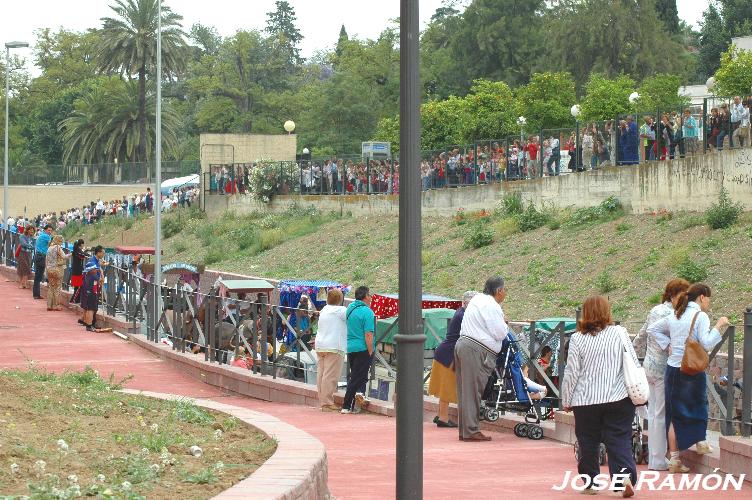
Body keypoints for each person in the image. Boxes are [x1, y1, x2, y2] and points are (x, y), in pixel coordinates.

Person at [647, 283, 729, 473]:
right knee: (699, 405)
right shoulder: (701, 316)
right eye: (708, 298)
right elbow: (707, 342)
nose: (709, 302)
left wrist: (667, 344)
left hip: (673, 369)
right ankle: (701, 442)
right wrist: (719, 325)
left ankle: (674, 459)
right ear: (702, 297)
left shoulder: (676, 313)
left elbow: (652, 329)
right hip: (692, 369)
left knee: (675, 414)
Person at [561, 296, 638, 497]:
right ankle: (623, 479)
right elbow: (632, 362)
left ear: (585, 314)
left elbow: (572, 372)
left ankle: (590, 483)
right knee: (619, 438)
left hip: (586, 400)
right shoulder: (619, 333)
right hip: (618, 397)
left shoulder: (577, 338)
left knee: (587, 440)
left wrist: (566, 399)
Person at [633, 279, 689, 471]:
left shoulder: (654, 310)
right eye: (682, 295)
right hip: (664, 369)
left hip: (648, 367)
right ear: (674, 295)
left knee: (655, 413)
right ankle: (657, 460)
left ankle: (656, 459)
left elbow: (642, 334)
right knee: (661, 414)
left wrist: (633, 354)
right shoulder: (672, 314)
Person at [454, 276, 509, 442]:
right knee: (472, 392)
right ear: (499, 291)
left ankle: (465, 430)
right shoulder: (492, 305)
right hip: (476, 350)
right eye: (505, 290)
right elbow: (500, 333)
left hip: (463, 345)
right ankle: (471, 430)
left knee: (464, 391)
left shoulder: (477, 299)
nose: (505, 293)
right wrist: (505, 324)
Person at [429, 291, 477, 428]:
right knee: (447, 387)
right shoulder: (464, 315)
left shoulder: (460, 312)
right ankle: (443, 418)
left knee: (444, 385)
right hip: (449, 354)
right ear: (468, 303)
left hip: (445, 352)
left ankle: (440, 415)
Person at [341, 286, 376, 414]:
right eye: (370, 295)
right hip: (363, 347)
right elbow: (368, 334)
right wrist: (370, 350)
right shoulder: (368, 312)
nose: (371, 298)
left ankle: (359, 397)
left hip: (351, 347)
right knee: (356, 377)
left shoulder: (350, 308)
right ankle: (346, 405)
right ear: (366, 296)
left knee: (358, 375)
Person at [315, 289, 348, 412]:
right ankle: (327, 403)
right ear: (340, 299)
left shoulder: (324, 309)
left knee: (321, 373)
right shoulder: (341, 310)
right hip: (334, 346)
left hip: (320, 344)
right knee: (330, 375)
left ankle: (322, 400)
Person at [45, 235, 70, 311]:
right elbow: (64, 257)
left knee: (51, 287)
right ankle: (56, 305)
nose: (62, 243)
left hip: (49, 269)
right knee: (57, 288)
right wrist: (70, 254)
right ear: (58, 241)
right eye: (61, 241)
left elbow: (46, 260)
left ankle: (49, 305)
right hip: (57, 269)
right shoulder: (58, 247)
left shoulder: (49, 248)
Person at [32, 225, 53, 299]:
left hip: (38, 256)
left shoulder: (40, 235)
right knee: (39, 276)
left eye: (51, 230)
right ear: (45, 230)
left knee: (38, 276)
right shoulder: (46, 237)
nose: (50, 232)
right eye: (48, 230)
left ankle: (36, 294)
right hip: (41, 257)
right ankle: (36, 294)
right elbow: (53, 244)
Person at [69, 239, 87, 304]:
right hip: (77, 271)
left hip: (76, 271)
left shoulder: (76, 250)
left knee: (78, 287)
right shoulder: (78, 251)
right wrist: (87, 252)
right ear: (81, 244)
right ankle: (73, 300)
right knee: (78, 287)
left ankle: (76, 300)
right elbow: (83, 255)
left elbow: (82, 254)